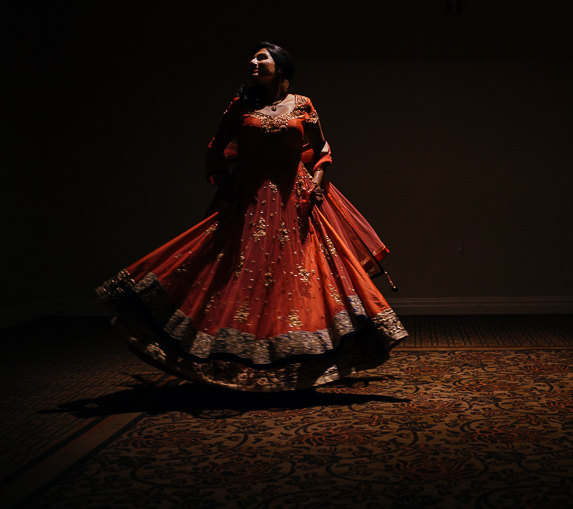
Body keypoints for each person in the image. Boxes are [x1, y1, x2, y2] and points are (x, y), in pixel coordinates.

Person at [96, 41, 407, 392]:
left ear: (282, 67)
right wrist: (226, 186)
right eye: (253, 58)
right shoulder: (241, 106)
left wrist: (317, 183)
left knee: (301, 275)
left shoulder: (303, 104)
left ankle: (302, 365)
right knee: (243, 274)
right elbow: (215, 149)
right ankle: (235, 364)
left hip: (296, 199)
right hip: (251, 200)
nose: (253, 61)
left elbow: (321, 149)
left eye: (262, 57)